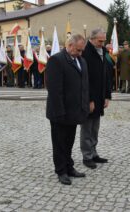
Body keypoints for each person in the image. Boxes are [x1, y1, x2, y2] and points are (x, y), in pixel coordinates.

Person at [46, 34, 89, 185]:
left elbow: (84, 86)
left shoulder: (81, 60)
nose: (80, 53)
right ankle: (61, 171)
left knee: (69, 141)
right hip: (60, 112)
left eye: (82, 50)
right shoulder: (56, 61)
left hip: (74, 111)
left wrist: (85, 104)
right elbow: (54, 90)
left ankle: (69, 167)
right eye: (78, 50)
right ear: (69, 45)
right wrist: (60, 112)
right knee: (59, 143)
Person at [80, 28, 111, 169]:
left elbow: (106, 75)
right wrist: (90, 99)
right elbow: (85, 80)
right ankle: (87, 156)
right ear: (92, 39)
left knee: (95, 128)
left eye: (104, 40)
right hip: (89, 98)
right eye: (100, 41)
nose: (102, 43)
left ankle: (94, 153)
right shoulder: (85, 53)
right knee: (87, 128)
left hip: (100, 96)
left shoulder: (103, 52)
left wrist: (107, 96)